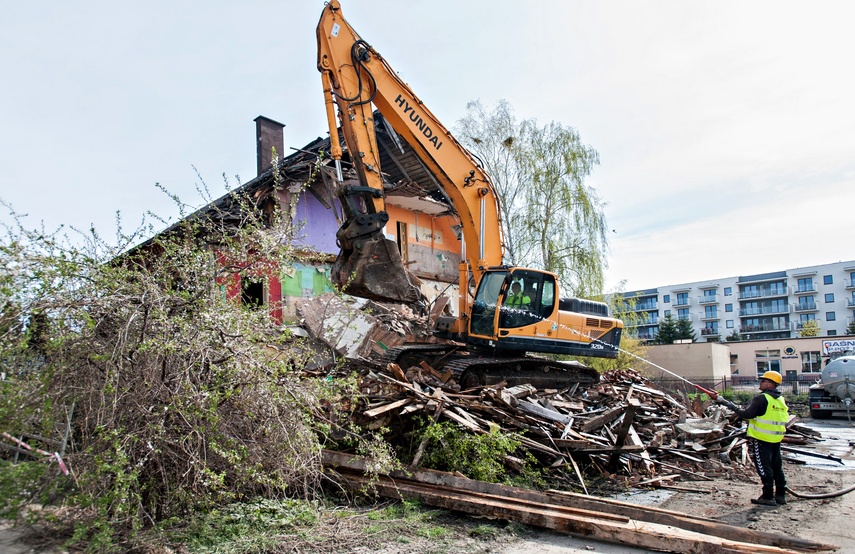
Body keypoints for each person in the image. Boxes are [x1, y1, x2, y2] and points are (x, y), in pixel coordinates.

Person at [715, 370, 789, 506]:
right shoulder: (779, 399)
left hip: (762, 439)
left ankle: (767, 496)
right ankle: (780, 495)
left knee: (763, 467)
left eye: (763, 381)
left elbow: (747, 414)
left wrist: (729, 405)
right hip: (776, 439)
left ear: (770, 384)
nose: (760, 383)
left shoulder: (762, 398)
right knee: (777, 467)